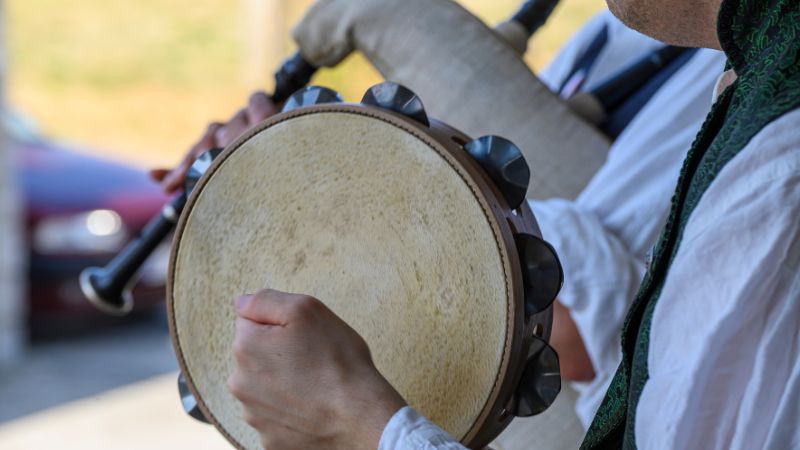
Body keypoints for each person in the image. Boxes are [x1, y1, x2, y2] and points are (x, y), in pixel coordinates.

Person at [220, 0, 800, 448]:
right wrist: (289, 163)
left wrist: (357, 421)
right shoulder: (643, 32)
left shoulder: (777, 155)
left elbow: (569, 327)